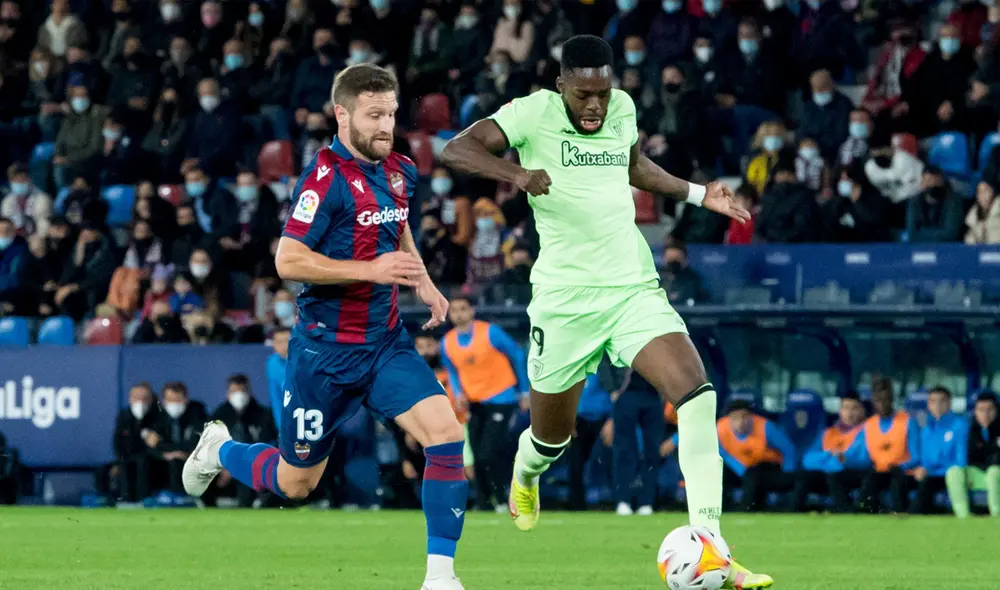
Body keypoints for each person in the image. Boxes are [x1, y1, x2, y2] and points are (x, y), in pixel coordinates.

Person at [440, 35, 770, 588]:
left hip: (630, 287)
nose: (595, 105)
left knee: (696, 393)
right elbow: (455, 149)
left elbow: (633, 165)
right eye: (583, 94)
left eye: (603, 92)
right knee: (552, 439)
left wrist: (695, 194)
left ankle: (714, 548)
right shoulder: (532, 113)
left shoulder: (622, 109)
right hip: (565, 302)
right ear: (561, 84)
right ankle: (527, 471)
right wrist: (516, 175)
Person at [183, 64, 466, 590]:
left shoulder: (400, 170)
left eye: (392, 114)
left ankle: (440, 578)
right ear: (342, 114)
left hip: (383, 344)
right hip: (323, 356)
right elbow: (288, 261)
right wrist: (370, 270)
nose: (387, 125)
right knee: (295, 484)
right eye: (374, 115)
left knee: (446, 434)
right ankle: (218, 448)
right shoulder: (324, 179)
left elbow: (396, 225)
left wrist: (422, 281)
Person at [441, 295, 529, 511]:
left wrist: (524, 390)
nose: (459, 314)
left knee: (488, 452)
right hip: (474, 402)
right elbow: (452, 371)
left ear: (472, 311)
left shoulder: (490, 332)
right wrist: (459, 393)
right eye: (454, 310)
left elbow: (517, 354)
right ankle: (483, 501)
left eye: (463, 309)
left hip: (501, 397)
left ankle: (500, 498)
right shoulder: (447, 342)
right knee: (478, 454)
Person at [205, 375, 278, 508]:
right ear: (228, 394)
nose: (239, 395)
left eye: (242, 391)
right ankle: (206, 505)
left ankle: (257, 503)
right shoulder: (219, 415)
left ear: (250, 392)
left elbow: (268, 444)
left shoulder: (263, 415)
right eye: (234, 391)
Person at [799, 391, 869, 513]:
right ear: (840, 411)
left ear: (862, 411)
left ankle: (846, 513)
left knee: (834, 477)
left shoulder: (867, 431)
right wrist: (829, 454)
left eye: (854, 408)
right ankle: (793, 513)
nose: (850, 413)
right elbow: (807, 460)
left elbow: (863, 459)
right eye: (845, 408)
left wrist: (839, 459)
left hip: (853, 474)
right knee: (803, 477)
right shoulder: (829, 433)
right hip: (828, 473)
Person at [859, 379, 920, 514]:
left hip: (903, 471)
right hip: (879, 471)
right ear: (873, 401)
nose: (881, 404)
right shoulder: (869, 425)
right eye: (878, 400)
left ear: (892, 399)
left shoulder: (907, 421)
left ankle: (900, 515)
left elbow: (917, 456)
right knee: (868, 483)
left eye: (885, 399)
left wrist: (901, 466)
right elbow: (863, 455)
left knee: (897, 484)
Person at [912, 387, 966, 514]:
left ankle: (913, 517)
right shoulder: (926, 429)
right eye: (933, 401)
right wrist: (921, 469)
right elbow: (925, 460)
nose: (937, 405)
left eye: (942, 401)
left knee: (926, 485)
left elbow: (961, 461)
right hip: (929, 475)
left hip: (948, 475)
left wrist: (931, 470)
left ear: (949, 403)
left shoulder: (960, 426)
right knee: (900, 480)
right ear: (928, 405)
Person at [949, 392, 1000, 517]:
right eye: (981, 410)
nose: (985, 414)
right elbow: (970, 457)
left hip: (996, 475)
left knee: (994, 472)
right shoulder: (971, 430)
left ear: (997, 411)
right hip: (979, 473)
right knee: (954, 472)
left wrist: (987, 452)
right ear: (975, 412)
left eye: (990, 410)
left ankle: (996, 515)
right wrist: (993, 448)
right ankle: (963, 516)